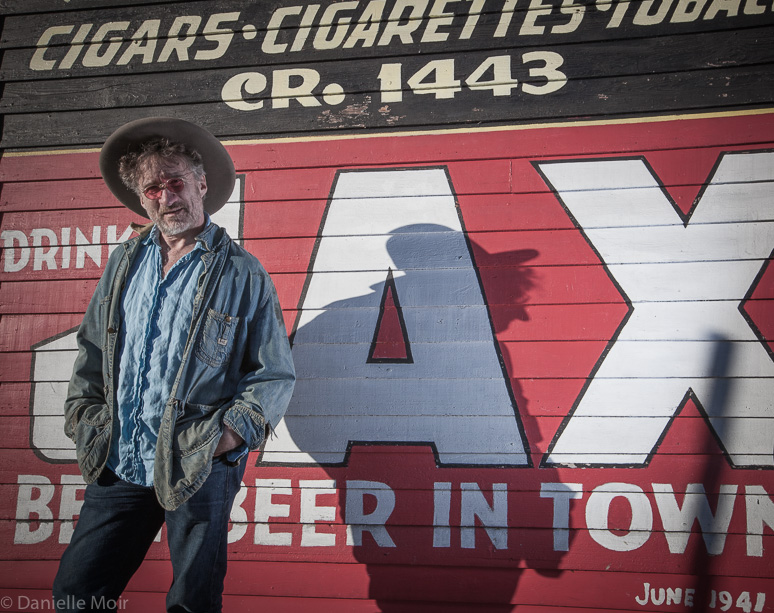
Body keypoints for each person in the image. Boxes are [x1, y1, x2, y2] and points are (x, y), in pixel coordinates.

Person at [52, 117, 296, 612]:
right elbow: (92, 349)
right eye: (153, 189)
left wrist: (226, 437)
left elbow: (272, 372)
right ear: (142, 199)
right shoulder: (124, 262)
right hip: (119, 457)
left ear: (201, 184)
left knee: (192, 602)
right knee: (76, 595)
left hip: (198, 462)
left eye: (176, 182)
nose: (167, 197)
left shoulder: (241, 271)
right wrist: (84, 417)